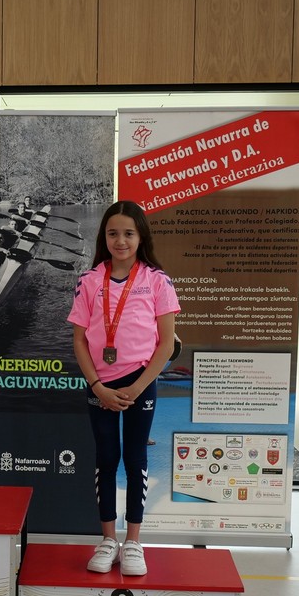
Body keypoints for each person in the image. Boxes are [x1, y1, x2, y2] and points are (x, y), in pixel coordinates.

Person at [67, 200, 180, 576]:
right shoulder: (89, 280)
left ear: (141, 237)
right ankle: (107, 540)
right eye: (113, 233)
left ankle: (133, 541)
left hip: (140, 384)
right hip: (100, 386)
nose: (121, 241)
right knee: (106, 458)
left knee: (135, 459)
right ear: (104, 237)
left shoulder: (157, 280)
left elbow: (166, 343)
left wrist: (137, 387)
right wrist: (97, 386)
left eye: (129, 233)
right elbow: (79, 340)